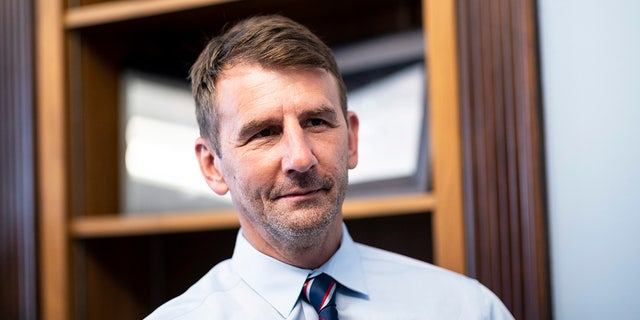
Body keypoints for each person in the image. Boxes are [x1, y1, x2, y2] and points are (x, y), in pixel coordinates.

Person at [145, 15, 514, 320]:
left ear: (351, 140)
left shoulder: (467, 309)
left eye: (317, 123)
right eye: (264, 132)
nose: (300, 158)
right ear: (212, 166)